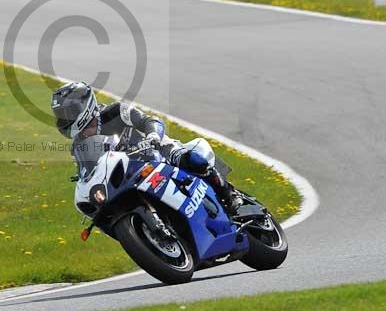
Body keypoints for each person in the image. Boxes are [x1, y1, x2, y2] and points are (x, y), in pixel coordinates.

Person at [51, 81, 242, 214]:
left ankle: (229, 192)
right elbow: (86, 172)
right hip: (131, 174)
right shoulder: (79, 145)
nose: (65, 118)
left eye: (69, 112)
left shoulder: (115, 111)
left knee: (191, 160)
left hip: (158, 152)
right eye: (62, 114)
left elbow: (149, 120)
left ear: (84, 105)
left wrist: (153, 135)